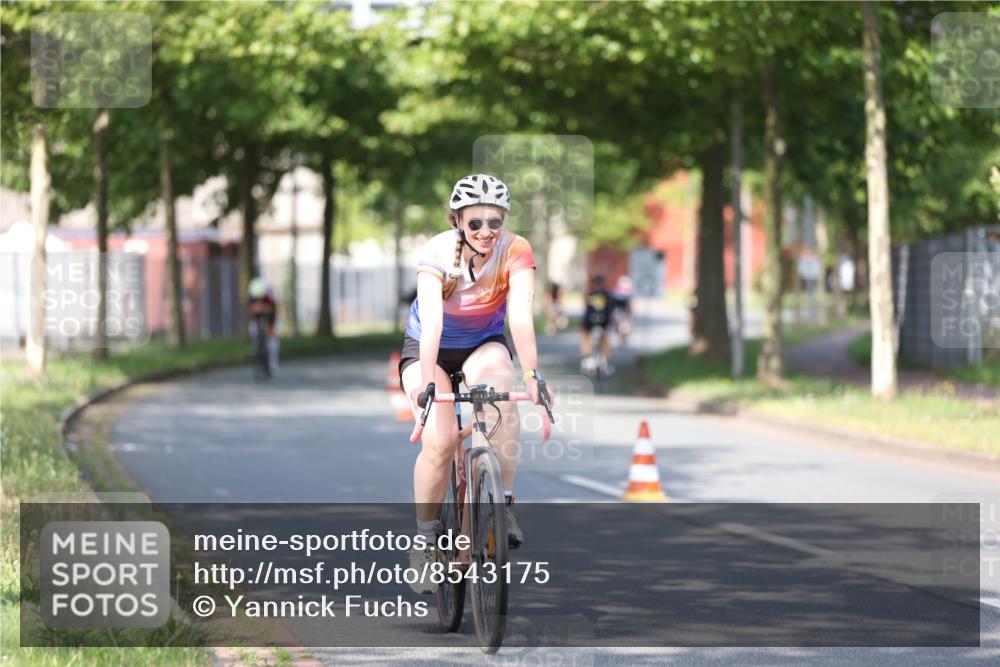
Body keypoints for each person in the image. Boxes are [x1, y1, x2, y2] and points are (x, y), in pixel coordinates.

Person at [399, 174, 545, 593]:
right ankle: (425, 542)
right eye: (475, 222)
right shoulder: (438, 252)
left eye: (494, 222)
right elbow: (432, 323)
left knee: (502, 393)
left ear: (504, 222)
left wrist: (532, 375)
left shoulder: (516, 251)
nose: (485, 232)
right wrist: (429, 385)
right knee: (441, 442)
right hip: (431, 349)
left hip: (484, 343)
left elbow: (520, 316)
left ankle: (502, 505)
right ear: (457, 220)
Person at [580, 274, 613, 374]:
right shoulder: (607, 295)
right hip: (603, 323)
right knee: (605, 339)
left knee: (585, 337)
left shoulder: (590, 294)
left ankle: (586, 357)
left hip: (590, 323)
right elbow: (610, 310)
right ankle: (607, 360)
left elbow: (586, 309)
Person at [247, 277, 278, 373]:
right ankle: (256, 348)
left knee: (272, 343)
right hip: (257, 319)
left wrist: (270, 328)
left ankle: (272, 363)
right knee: (253, 329)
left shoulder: (269, 298)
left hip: (269, 319)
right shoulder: (251, 298)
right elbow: (251, 312)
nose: (258, 299)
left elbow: (272, 313)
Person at [611, 275, 634, 345]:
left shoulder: (616, 292)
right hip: (621, 311)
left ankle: (622, 337)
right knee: (623, 324)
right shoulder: (626, 293)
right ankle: (622, 337)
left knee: (622, 325)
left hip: (620, 311)